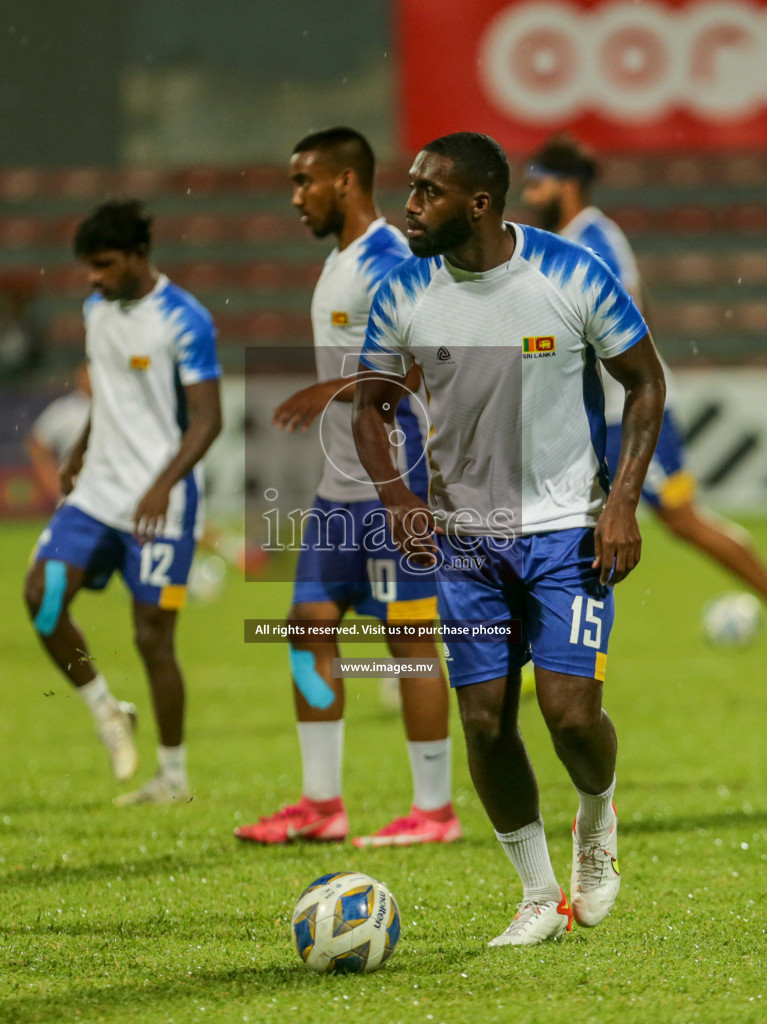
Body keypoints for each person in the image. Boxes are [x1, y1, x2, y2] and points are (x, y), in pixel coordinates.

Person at [353, 132, 666, 945]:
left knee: (568, 717)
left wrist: (621, 503)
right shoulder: (402, 292)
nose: (409, 207)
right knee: (486, 721)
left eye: (427, 193)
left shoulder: (568, 273)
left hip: (566, 530)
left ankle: (595, 817)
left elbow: (644, 382)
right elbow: (368, 405)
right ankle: (538, 898)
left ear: (478, 204)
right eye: (411, 189)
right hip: (464, 540)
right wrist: (397, 500)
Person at [234, 127, 460, 848]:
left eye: (305, 181)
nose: (296, 197)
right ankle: (321, 804)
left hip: (395, 478)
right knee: (308, 625)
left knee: (408, 640)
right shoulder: (340, 262)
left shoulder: (390, 258)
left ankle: (434, 811)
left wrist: (330, 387)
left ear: (345, 180)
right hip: (339, 490)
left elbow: (422, 369)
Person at [23, 200, 222, 805]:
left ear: (138, 255)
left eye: (105, 265)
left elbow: (208, 421)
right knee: (42, 597)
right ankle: (108, 709)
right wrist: (82, 445)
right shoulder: (97, 310)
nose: (95, 278)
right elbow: (111, 394)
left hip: (160, 504)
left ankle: (174, 777)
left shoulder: (185, 320)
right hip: (99, 493)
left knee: (152, 638)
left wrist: (162, 483)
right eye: (88, 267)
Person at [522, 134, 767, 603]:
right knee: (561, 529)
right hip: (596, 417)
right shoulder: (572, 242)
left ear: (567, 185)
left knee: (683, 519)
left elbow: (626, 315)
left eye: (537, 184)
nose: (529, 196)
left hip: (625, 415)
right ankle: (545, 647)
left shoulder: (595, 241)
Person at [27, 363, 91, 508]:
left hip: (114, 492)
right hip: (76, 491)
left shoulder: (117, 406)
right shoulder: (64, 410)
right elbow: (36, 444)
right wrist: (53, 483)